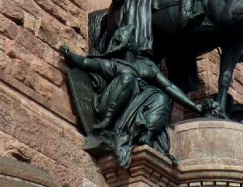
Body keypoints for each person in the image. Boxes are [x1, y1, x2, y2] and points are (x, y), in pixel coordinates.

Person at [60, 43, 202, 167]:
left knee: (161, 97)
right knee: (128, 79)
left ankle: (147, 134)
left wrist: (195, 106)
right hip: (114, 103)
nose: (136, 40)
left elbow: (170, 86)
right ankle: (107, 123)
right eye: (129, 36)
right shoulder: (114, 64)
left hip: (141, 102)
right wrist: (69, 54)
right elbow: (85, 63)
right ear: (123, 43)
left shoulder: (147, 65)